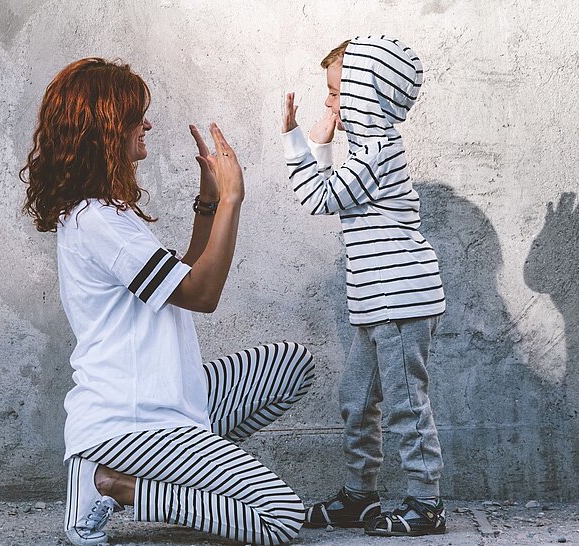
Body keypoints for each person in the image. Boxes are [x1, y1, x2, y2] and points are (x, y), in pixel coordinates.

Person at [22, 57, 315, 546]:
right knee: (282, 518)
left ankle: (184, 473)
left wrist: (208, 199)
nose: (148, 125)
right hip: (131, 421)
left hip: (164, 398)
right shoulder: (98, 222)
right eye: (137, 116)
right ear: (106, 128)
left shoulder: (106, 214)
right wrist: (232, 200)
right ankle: (115, 484)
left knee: (290, 365)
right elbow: (202, 294)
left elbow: (182, 282)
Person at [279, 36, 448, 537]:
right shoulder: (368, 152)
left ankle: (426, 503)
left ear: (365, 93)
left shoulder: (376, 152)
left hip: (400, 299)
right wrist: (324, 147)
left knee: (406, 404)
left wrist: (303, 141)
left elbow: (318, 197)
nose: (330, 101)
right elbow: (333, 193)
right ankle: (360, 495)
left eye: (337, 91)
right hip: (378, 302)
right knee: (357, 398)